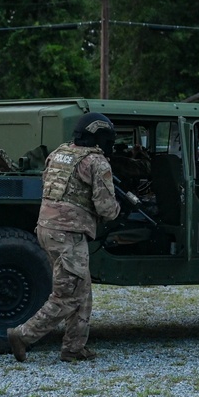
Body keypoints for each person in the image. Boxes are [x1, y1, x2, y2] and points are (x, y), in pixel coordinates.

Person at [8, 112, 121, 363]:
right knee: (67, 295)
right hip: (68, 234)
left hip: (47, 228)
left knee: (82, 288)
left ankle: (73, 348)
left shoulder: (59, 154)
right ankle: (23, 335)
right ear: (99, 137)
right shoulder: (97, 163)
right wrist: (119, 208)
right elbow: (106, 209)